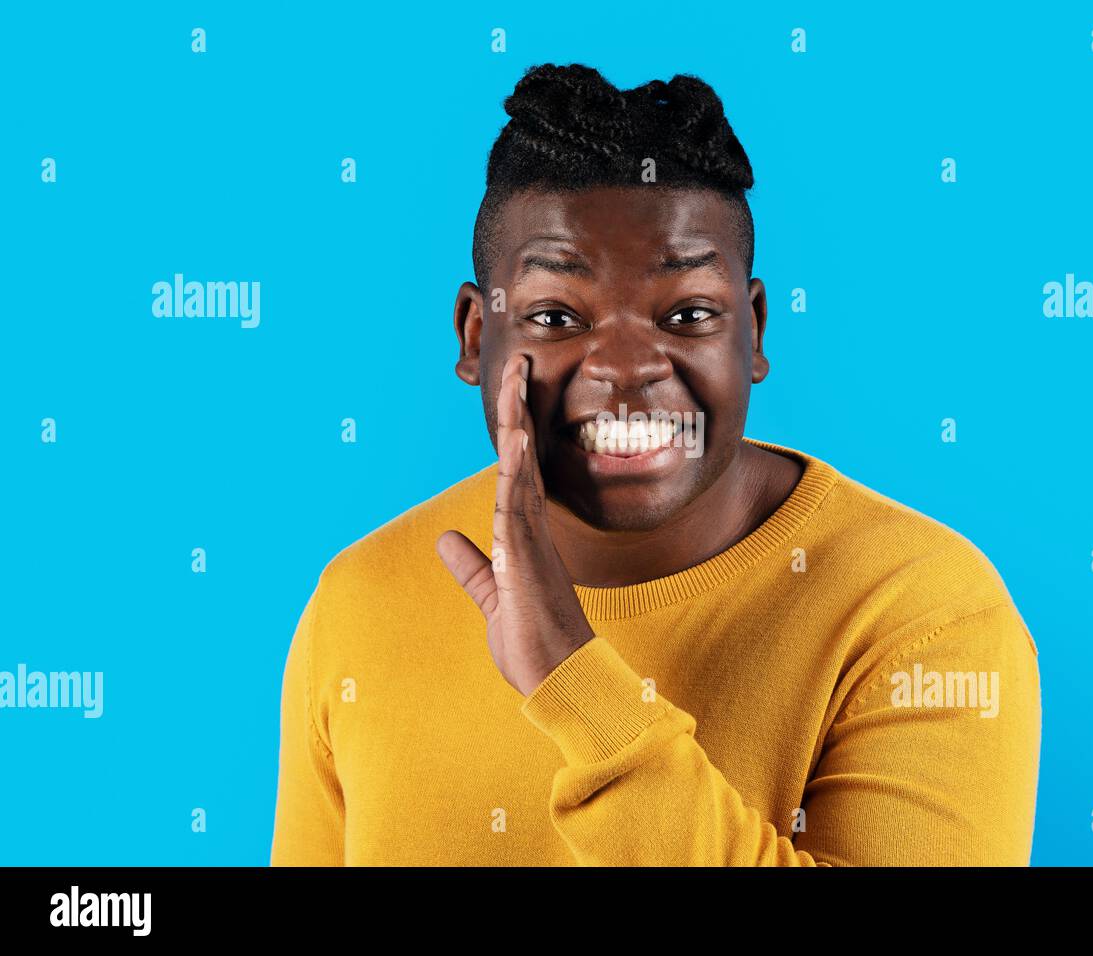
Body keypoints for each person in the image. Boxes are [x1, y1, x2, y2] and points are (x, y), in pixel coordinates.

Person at [270, 62, 1041, 866]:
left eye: (690, 313)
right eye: (556, 315)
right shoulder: (360, 600)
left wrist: (571, 678)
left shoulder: (923, 612)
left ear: (754, 332)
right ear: (473, 336)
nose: (629, 365)